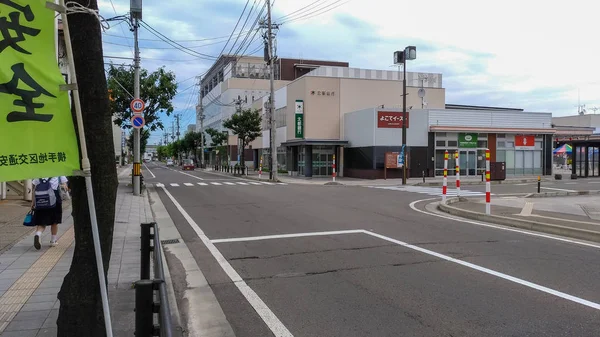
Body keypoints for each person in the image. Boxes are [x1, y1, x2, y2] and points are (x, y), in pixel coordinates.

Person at [31, 176, 68, 249]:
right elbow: (65, 187)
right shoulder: (59, 173)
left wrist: (33, 203)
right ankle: (53, 241)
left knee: (42, 222)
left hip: (41, 200)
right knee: (54, 221)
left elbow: (34, 189)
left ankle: (38, 234)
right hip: (54, 199)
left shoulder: (39, 173)